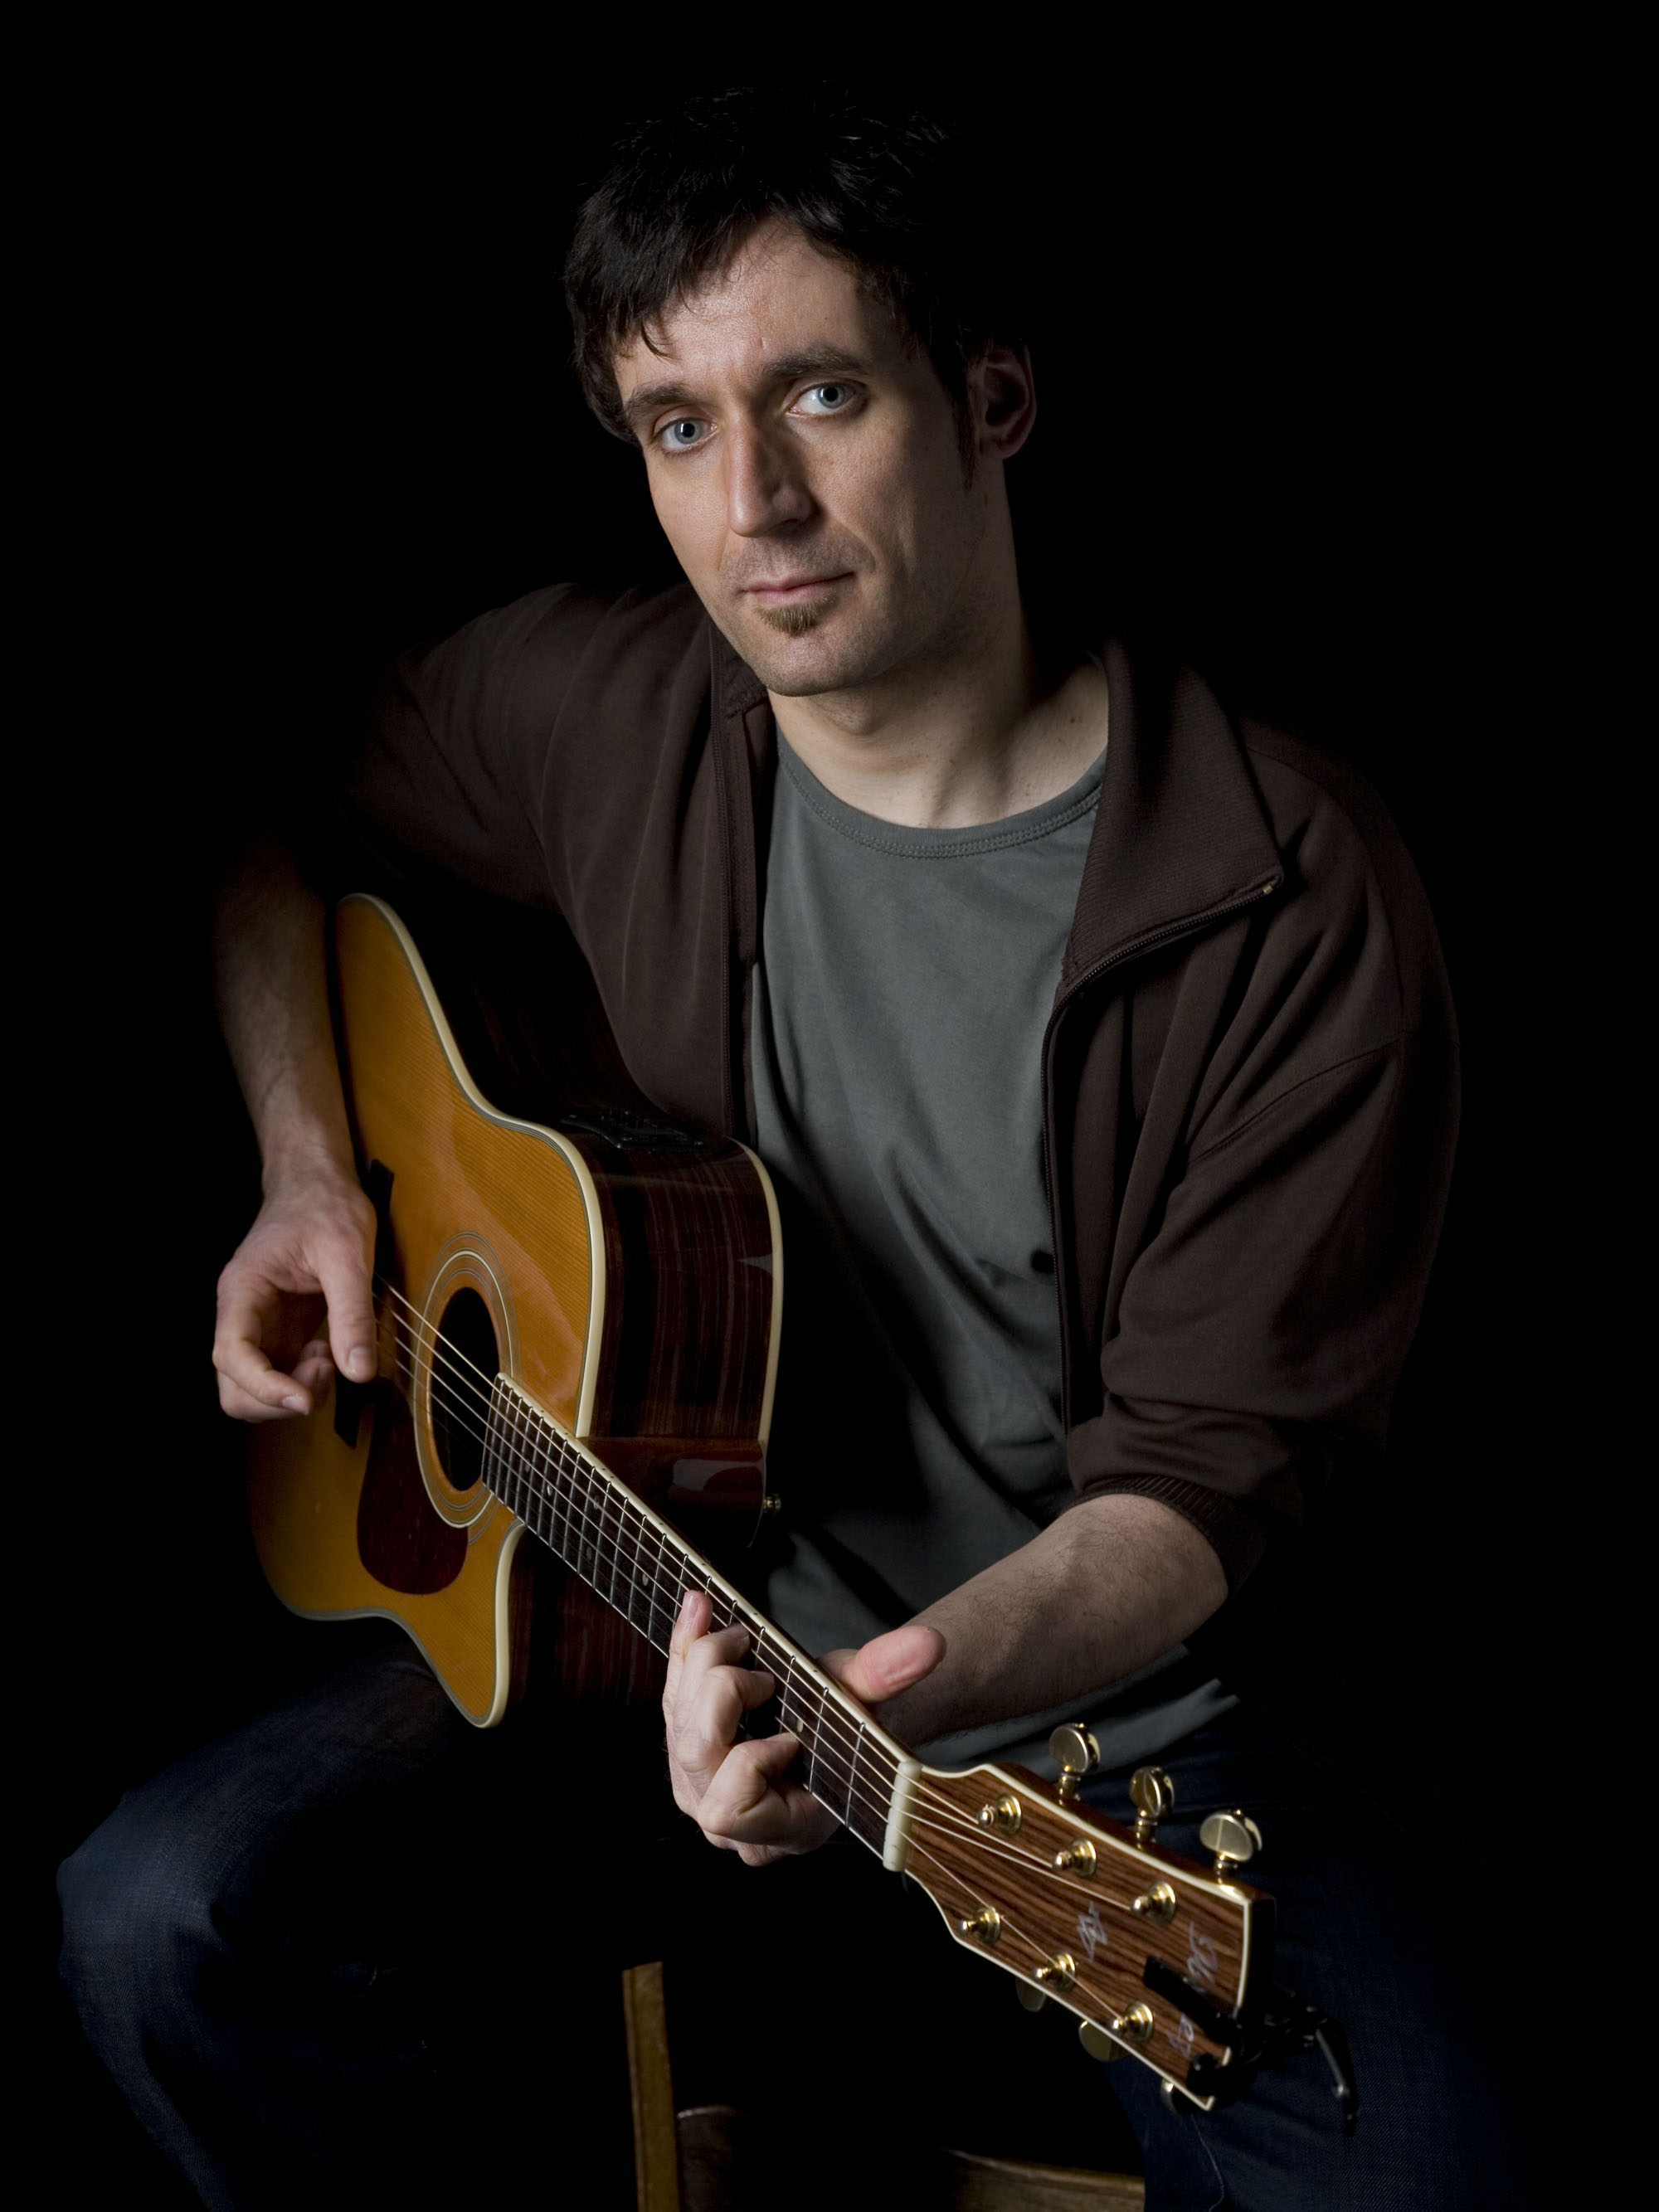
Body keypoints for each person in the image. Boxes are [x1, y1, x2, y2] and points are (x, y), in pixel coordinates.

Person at [58, 90, 1530, 2210]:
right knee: (165, 1912)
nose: (751, 501)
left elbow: (1191, 1499)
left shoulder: (1278, 886)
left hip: (1126, 1724)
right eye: (678, 425)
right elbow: (266, 809)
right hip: (646, 1633)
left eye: (821, 395)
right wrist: (306, 1167)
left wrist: (874, 1704)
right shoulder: (614, 710)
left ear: (992, 398)